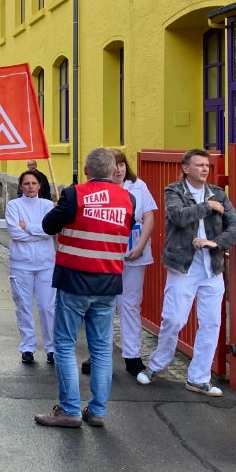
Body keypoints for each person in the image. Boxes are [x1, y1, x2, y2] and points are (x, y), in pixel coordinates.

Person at [34, 148, 134, 429]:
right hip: (109, 282)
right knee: (102, 349)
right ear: (114, 169)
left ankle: (69, 410)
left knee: (65, 345)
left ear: (87, 169)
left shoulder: (73, 194)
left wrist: (60, 207)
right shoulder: (129, 198)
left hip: (75, 281)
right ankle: (97, 411)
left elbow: (47, 226)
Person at [137, 149, 236, 396]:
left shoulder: (218, 194)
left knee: (211, 323)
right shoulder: (174, 191)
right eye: (199, 165)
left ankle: (199, 378)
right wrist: (208, 207)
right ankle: (157, 364)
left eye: (207, 165)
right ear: (186, 168)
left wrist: (216, 243)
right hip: (183, 266)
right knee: (173, 319)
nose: (205, 169)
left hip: (212, 268)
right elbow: (178, 217)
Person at [87, 150, 156, 376]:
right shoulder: (98, 188)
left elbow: (148, 218)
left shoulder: (139, 186)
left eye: (122, 164)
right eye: (114, 165)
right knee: (102, 305)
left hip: (134, 251)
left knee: (130, 304)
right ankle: (98, 354)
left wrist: (141, 246)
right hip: (106, 254)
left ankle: (132, 355)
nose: (119, 169)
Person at [4, 170, 56, 365]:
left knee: (47, 307)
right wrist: (39, 231)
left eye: (34, 183)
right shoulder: (13, 206)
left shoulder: (48, 205)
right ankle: (28, 346)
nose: (30, 186)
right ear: (21, 186)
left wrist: (28, 227)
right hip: (21, 264)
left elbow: (51, 229)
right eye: (26, 183)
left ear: (40, 185)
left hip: (45, 264)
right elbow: (14, 233)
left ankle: (51, 348)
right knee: (24, 306)